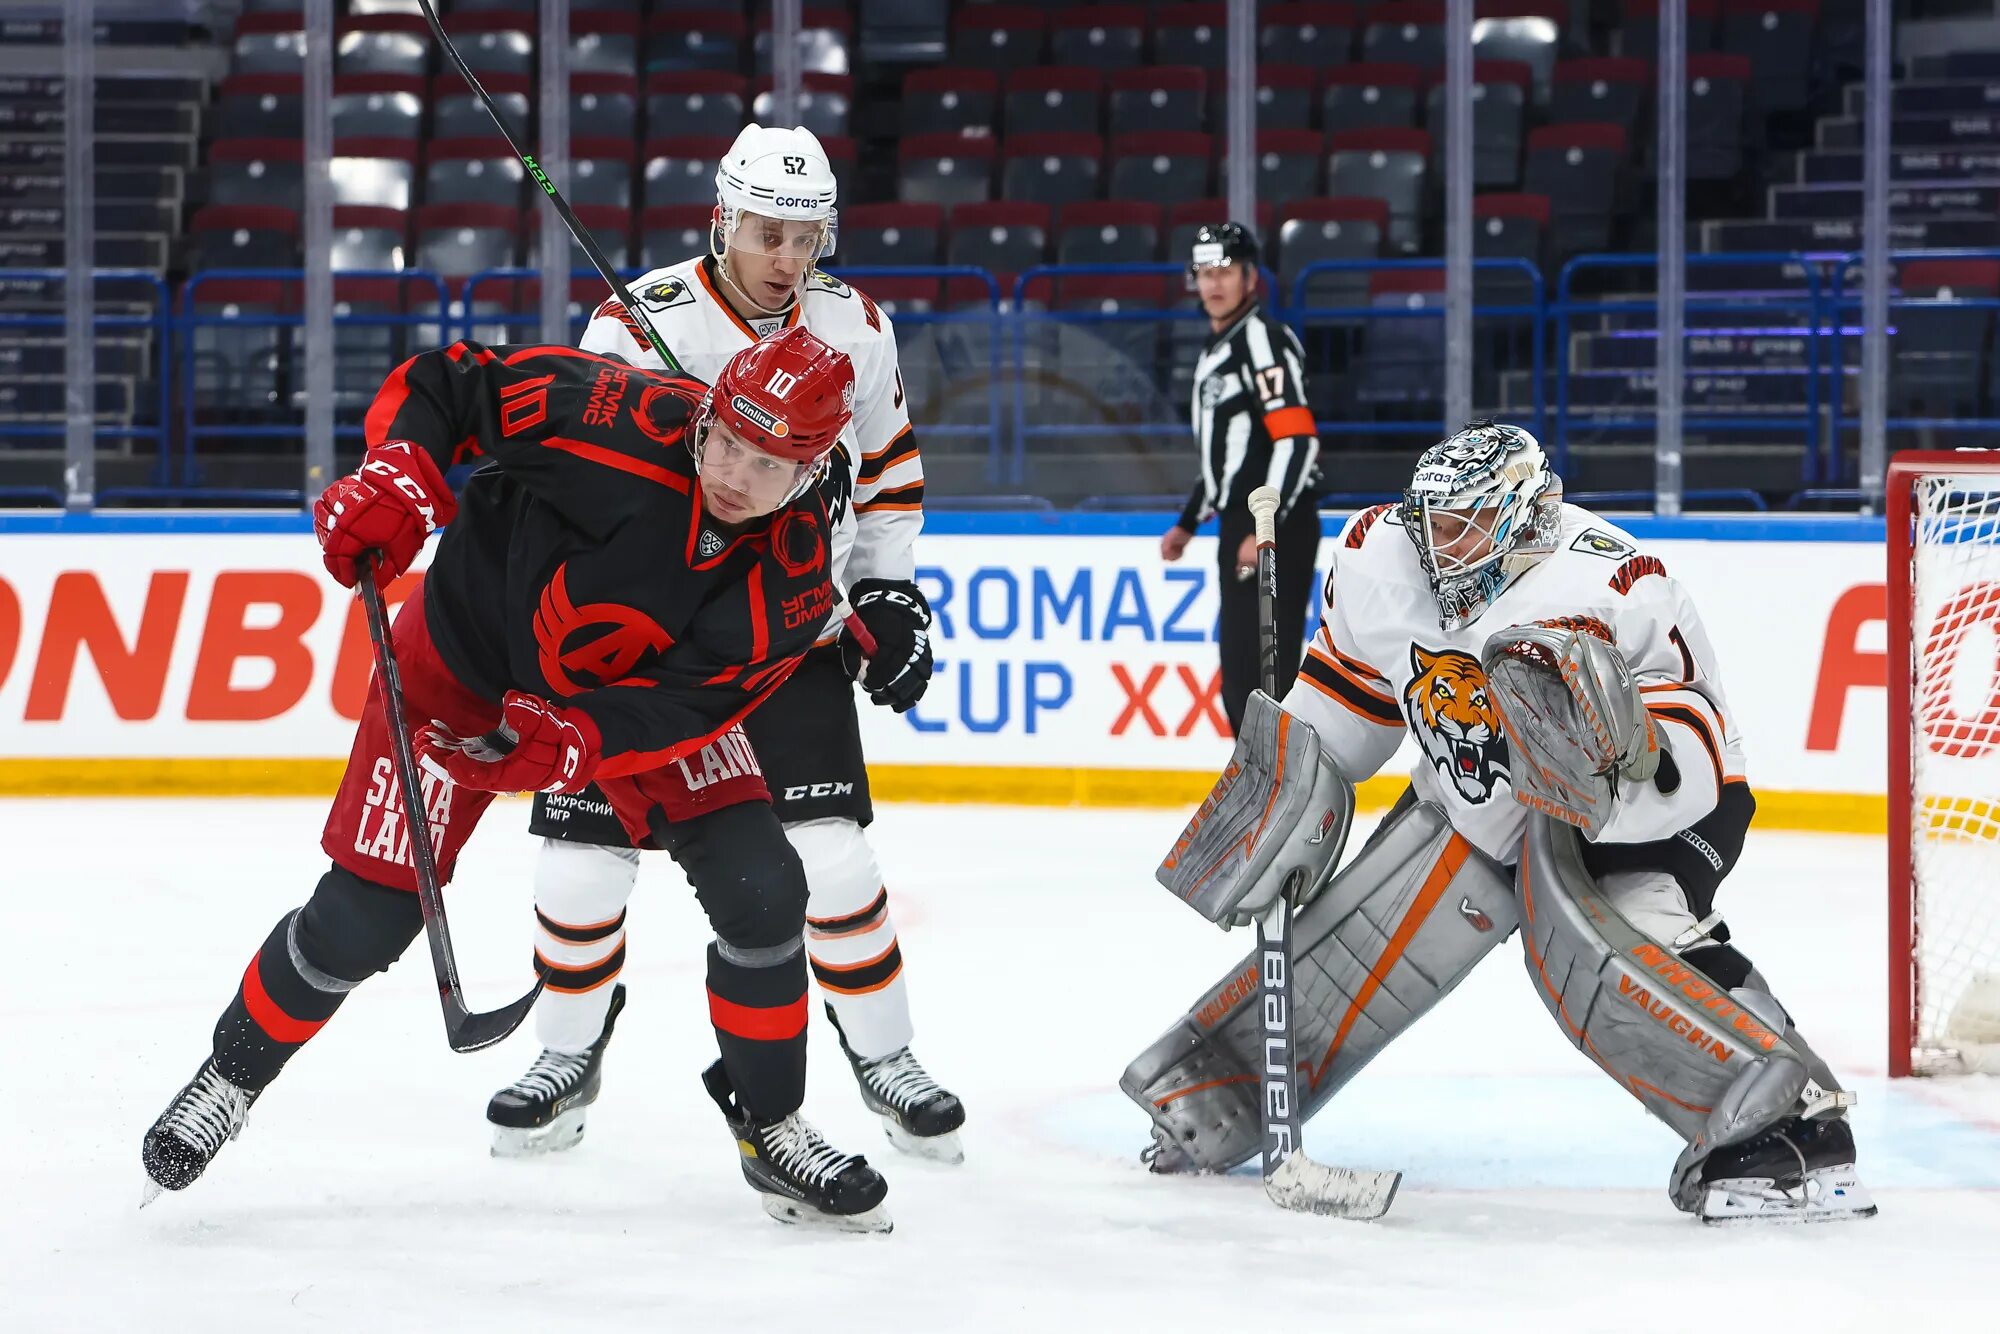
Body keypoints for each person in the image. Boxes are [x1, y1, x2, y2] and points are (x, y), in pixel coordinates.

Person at [141, 325, 899, 1231]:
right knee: (361, 917)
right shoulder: (622, 417)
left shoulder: (798, 571)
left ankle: (771, 1124)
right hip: (452, 672)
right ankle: (227, 1080)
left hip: (624, 709)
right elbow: (455, 383)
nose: (735, 472)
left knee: (764, 891)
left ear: (813, 471)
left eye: (768, 464)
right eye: (727, 440)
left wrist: (579, 739)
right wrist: (401, 473)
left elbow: (695, 705)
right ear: (709, 413)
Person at [1129, 422, 1874, 1224]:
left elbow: (1687, 749)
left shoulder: (1615, 581)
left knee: (1610, 946)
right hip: (1478, 794)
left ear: (1520, 515)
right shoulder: (1381, 555)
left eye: (1464, 526)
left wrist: (1613, 759)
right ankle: (1217, 1098)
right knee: (1368, 935)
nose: (1440, 546)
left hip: (1641, 808)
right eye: (1431, 524)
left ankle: (1795, 1129)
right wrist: (1287, 795)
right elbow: (1349, 703)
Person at [483, 123, 964, 1165]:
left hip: (786, 629)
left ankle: (886, 1054)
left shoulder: (856, 327)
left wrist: (886, 590)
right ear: (720, 217)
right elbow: (571, 481)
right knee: (577, 868)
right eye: (764, 232)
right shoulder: (632, 324)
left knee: (833, 860)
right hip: (642, 643)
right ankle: (564, 1052)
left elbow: (884, 472)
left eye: (806, 236)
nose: (786, 259)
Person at [1159, 222, 1322, 735]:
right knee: (1241, 678)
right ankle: (1266, 794)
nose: (1214, 282)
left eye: (1225, 270)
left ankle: (1286, 798)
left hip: (1273, 528)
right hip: (1244, 526)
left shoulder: (1261, 341)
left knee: (1263, 681)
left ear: (1251, 277)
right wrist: (1189, 521)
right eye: (1204, 271)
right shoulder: (1220, 347)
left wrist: (1264, 528)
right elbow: (1226, 460)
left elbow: (1296, 440)